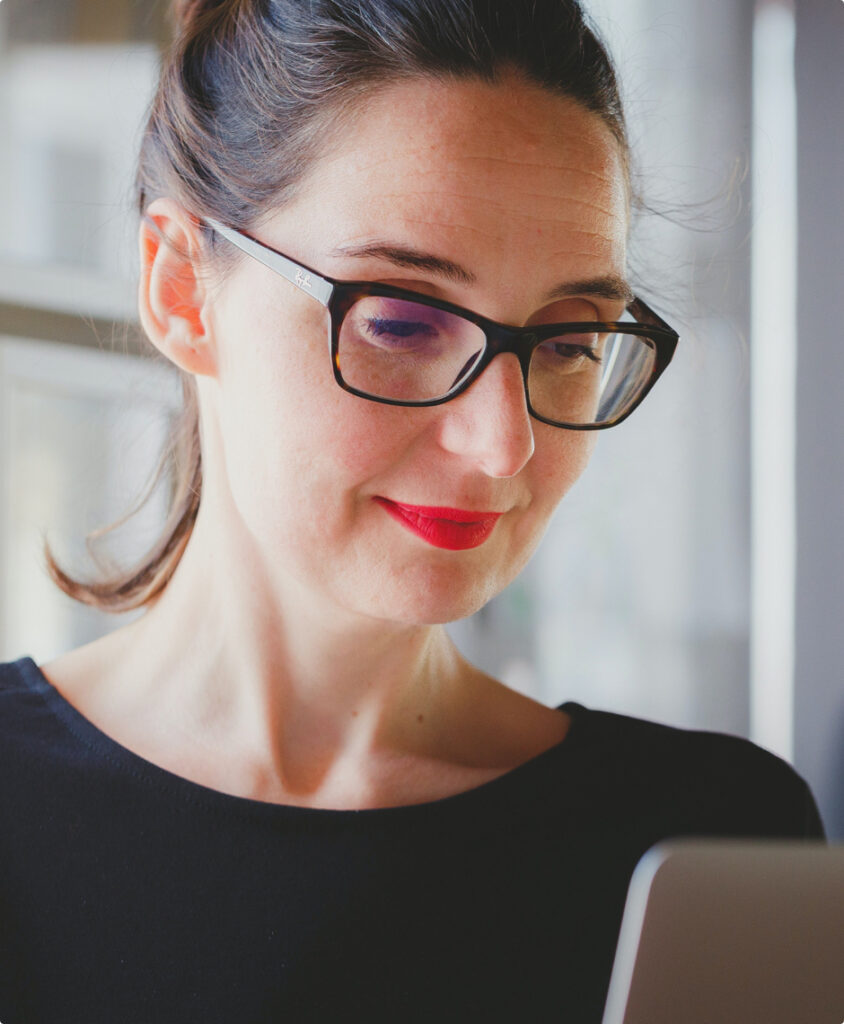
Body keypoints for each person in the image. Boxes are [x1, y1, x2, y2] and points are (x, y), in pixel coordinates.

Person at [0, 1, 825, 1021]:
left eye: (569, 343)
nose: (502, 444)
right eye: (398, 318)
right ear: (180, 288)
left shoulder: (707, 842)